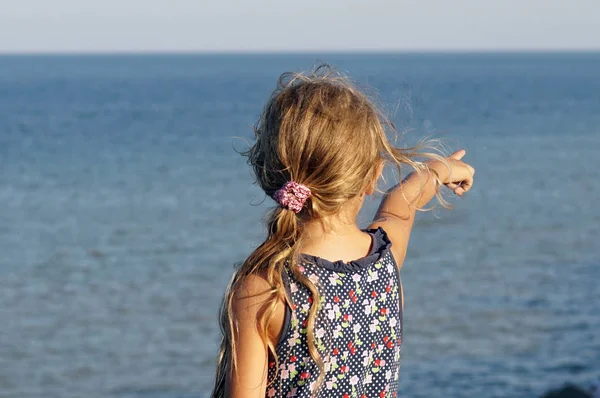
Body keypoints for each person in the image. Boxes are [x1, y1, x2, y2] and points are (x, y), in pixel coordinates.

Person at [211, 65, 475, 398]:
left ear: (269, 172)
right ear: (371, 176)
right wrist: (442, 169)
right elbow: (403, 201)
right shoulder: (384, 257)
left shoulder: (264, 289)